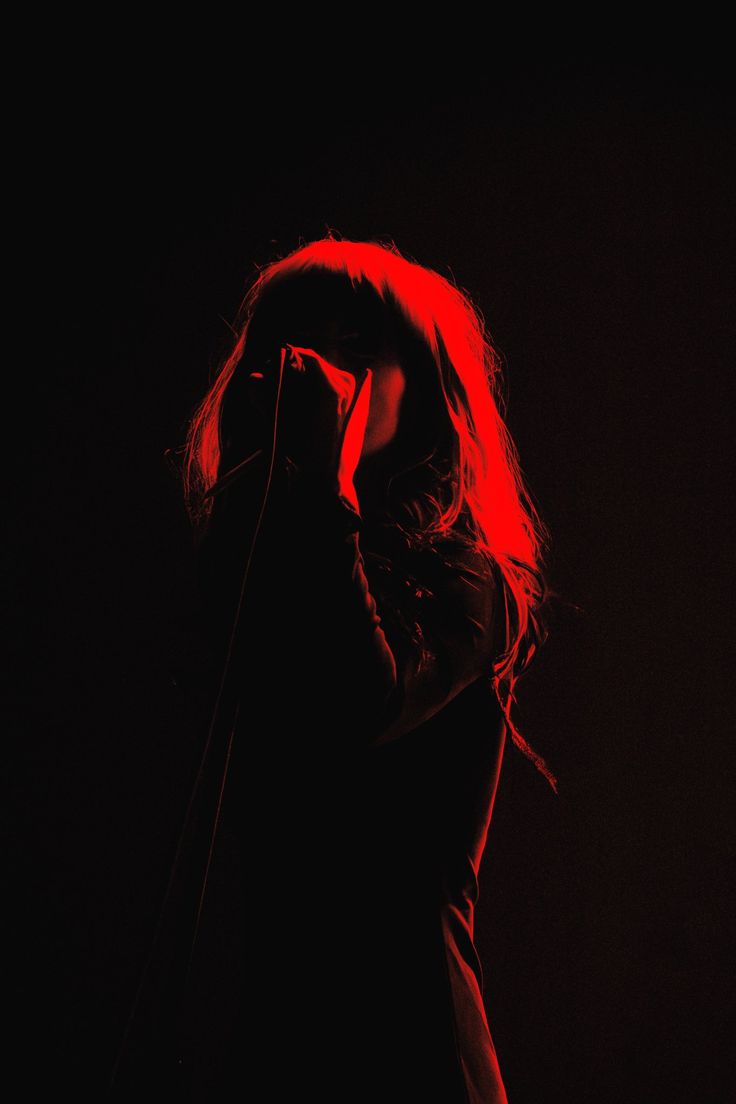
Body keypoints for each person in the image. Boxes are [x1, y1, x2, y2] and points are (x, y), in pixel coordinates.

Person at [176, 235, 558, 1102]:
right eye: (294, 347)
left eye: (357, 350)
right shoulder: (251, 567)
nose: (320, 374)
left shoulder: (469, 574)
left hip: (410, 1043)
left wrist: (325, 489)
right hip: (276, 1033)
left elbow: (363, 705)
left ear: (423, 387)